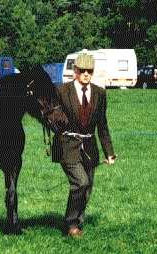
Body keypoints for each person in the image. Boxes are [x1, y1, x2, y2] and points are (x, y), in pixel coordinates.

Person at [51, 53, 116, 237]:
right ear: (75, 71)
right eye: (82, 71)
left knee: (87, 188)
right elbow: (52, 118)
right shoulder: (61, 91)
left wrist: (109, 151)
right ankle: (71, 224)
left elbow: (102, 125)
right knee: (81, 182)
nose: (86, 74)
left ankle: (78, 222)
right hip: (67, 145)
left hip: (89, 146)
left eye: (90, 71)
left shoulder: (100, 93)